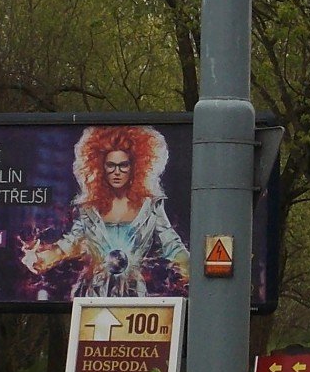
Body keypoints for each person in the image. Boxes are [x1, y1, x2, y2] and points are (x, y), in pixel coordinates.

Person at [20, 124, 190, 298]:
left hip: (133, 294)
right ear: (100, 167)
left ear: (136, 167)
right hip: (92, 293)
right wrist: (47, 256)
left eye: (123, 165)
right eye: (111, 165)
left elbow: (170, 242)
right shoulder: (89, 208)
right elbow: (73, 242)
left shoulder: (150, 206)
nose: (117, 172)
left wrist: (190, 268)